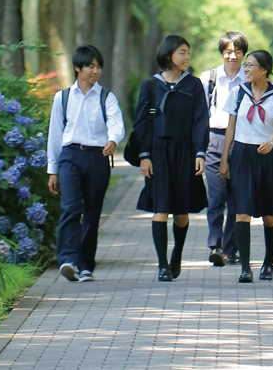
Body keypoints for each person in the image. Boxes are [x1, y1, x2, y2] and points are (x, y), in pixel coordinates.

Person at [133, 35, 210, 281]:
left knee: (181, 211)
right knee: (160, 207)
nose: (187, 57)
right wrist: (144, 155)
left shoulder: (194, 85)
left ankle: (177, 253)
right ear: (169, 55)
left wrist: (200, 152)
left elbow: (200, 121)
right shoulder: (150, 85)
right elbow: (142, 122)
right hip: (158, 152)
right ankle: (162, 265)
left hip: (186, 151)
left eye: (188, 52)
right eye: (182, 52)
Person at [47, 45, 126, 282]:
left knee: (92, 212)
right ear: (77, 68)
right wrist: (53, 170)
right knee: (71, 208)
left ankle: (86, 265)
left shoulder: (106, 97)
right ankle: (68, 259)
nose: (95, 71)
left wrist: (113, 140)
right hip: (70, 157)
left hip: (98, 157)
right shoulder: (63, 97)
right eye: (90, 66)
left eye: (98, 66)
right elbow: (55, 134)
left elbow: (116, 122)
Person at [219, 50, 273, 283]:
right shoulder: (238, 93)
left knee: (270, 214)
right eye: (246, 65)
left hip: (268, 156)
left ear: (265, 70)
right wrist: (224, 159)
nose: (246, 69)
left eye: (251, 65)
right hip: (241, 154)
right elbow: (230, 127)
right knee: (242, 211)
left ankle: (268, 263)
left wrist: (271, 142)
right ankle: (246, 268)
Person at [201, 31, 248, 266]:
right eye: (228, 51)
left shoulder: (249, 79)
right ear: (222, 53)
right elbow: (199, 115)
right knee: (217, 195)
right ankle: (215, 245)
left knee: (237, 198)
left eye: (237, 52)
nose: (233, 56)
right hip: (214, 139)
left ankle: (231, 248)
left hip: (241, 141)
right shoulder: (208, 78)